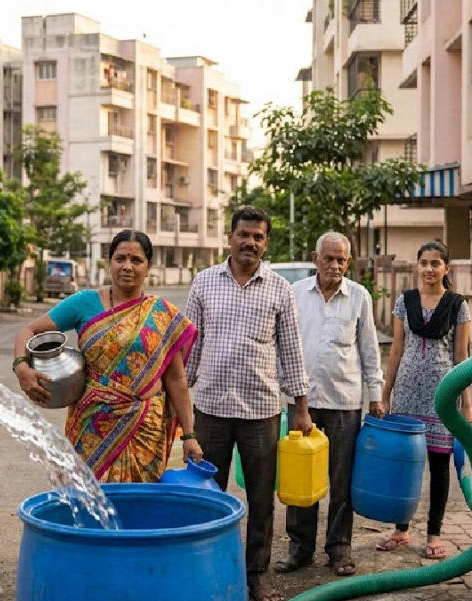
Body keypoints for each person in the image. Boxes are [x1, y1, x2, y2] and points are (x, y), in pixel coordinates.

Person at [185, 206, 312, 601]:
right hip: (210, 410)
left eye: (258, 237)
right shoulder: (204, 282)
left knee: (260, 501)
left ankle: (256, 576)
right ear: (230, 236)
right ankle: (206, 572)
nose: (250, 242)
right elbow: (189, 350)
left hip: (261, 413)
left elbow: (291, 352)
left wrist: (301, 408)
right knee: (207, 496)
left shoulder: (280, 289)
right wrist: (177, 407)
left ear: (266, 243)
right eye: (244, 234)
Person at [13, 230, 204, 483]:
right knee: (90, 498)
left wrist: (189, 435)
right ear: (109, 262)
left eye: (136, 260)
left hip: (145, 431)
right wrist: (21, 367)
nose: (127, 266)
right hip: (92, 426)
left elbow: (176, 380)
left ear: (148, 267)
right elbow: (28, 331)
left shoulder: (161, 314)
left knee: (141, 502)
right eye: (120, 258)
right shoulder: (84, 303)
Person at [274, 232, 384, 578]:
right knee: (300, 478)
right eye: (329, 258)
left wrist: (376, 394)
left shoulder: (359, 297)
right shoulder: (295, 294)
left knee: (341, 480)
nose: (335, 265)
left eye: (341, 260)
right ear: (315, 258)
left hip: (343, 401)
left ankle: (339, 549)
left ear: (348, 263)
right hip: (301, 402)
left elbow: (369, 349)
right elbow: (281, 344)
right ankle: (300, 549)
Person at [374, 240, 472, 560]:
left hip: (442, 396)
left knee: (439, 466)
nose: (429, 269)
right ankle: (401, 530)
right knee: (406, 464)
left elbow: (462, 358)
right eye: (424, 263)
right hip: (406, 395)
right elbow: (396, 351)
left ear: (446, 268)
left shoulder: (458, 305)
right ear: (418, 266)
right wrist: (385, 395)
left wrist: (467, 403)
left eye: (435, 263)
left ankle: (434, 533)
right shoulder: (405, 302)